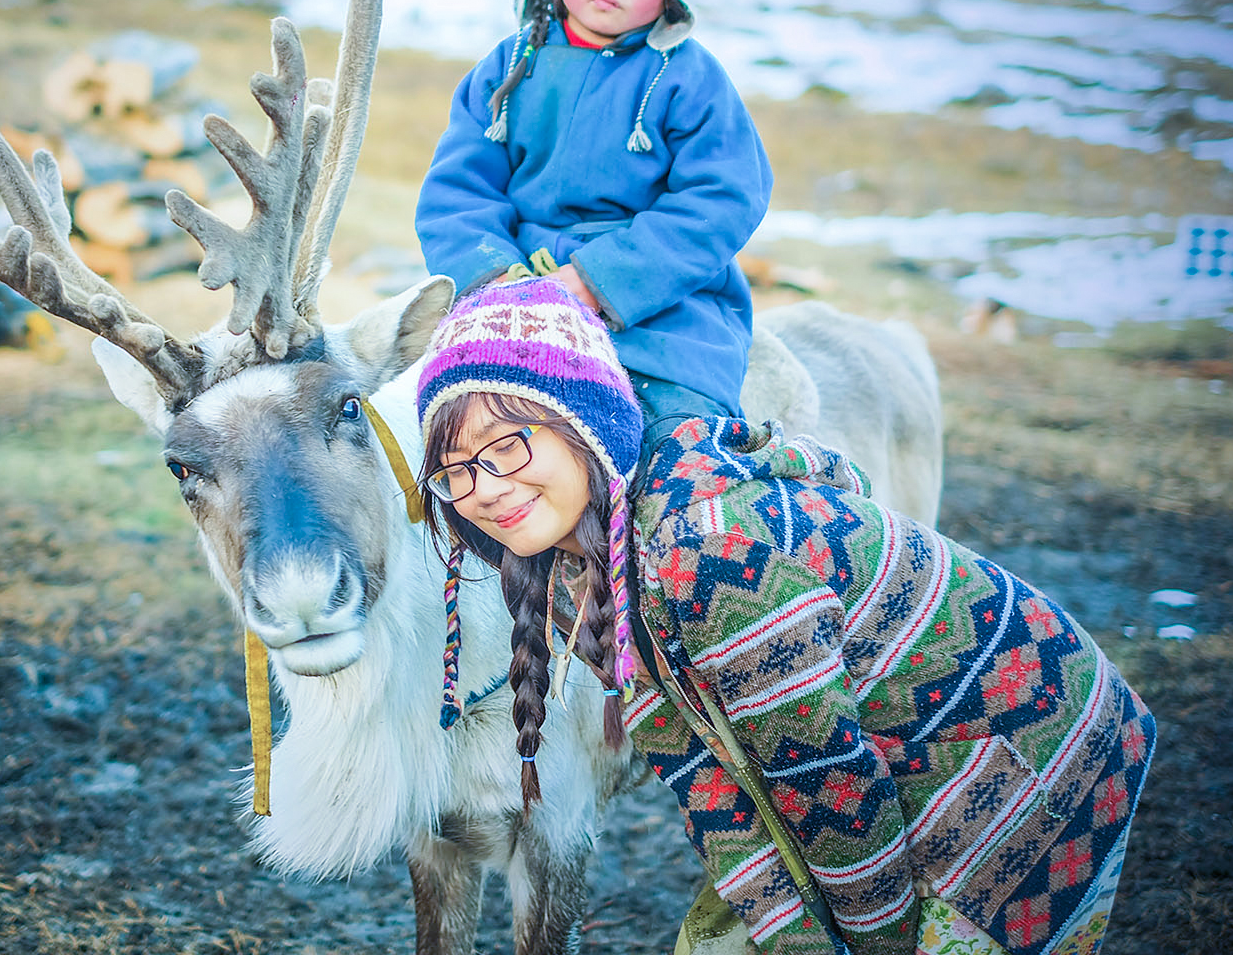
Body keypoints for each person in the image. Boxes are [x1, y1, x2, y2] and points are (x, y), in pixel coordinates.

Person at [414, 277, 1155, 955]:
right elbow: (707, 781)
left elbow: (833, 789)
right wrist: (790, 929)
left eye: (507, 445)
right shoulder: (584, 573)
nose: (483, 487)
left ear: (584, 422)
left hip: (1029, 759)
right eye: (456, 469)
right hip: (884, 769)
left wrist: (872, 945)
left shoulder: (707, 553)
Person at [416, 0, 772, 469]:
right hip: (514, 294)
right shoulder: (507, 71)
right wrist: (497, 280)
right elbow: (458, 192)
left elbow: (724, 197)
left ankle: (670, 544)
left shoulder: (688, 78)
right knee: (453, 432)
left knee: (667, 459)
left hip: (656, 318)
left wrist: (597, 283)